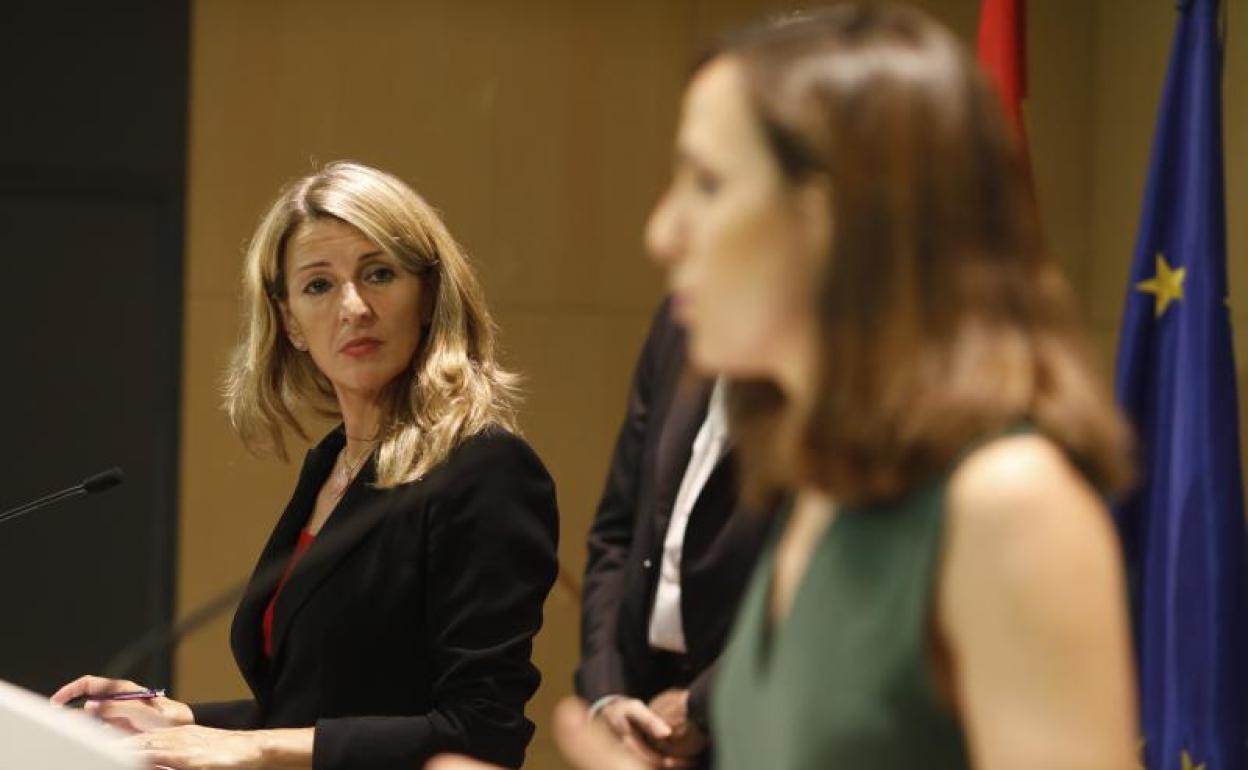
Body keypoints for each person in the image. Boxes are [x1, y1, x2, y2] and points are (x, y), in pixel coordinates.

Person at [438, 4, 1139, 770]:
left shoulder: (1009, 506)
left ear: (835, 215)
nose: (663, 232)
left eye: (706, 183)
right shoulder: (820, 481)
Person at [52, 161, 559, 770]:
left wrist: (248, 747)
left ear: (427, 294)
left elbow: (480, 732)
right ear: (290, 320)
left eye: (379, 274)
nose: (353, 307)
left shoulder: (484, 469)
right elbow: (322, 703)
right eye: (319, 285)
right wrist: (184, 718)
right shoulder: (332, 462)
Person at [576, 299, 770, 768]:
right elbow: (616, 531)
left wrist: (700, 708)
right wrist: (607, 692)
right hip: (638, 708)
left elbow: (815, 592)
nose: (663, 238)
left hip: (759, 719)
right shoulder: (676, 322)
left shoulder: (836, 364)